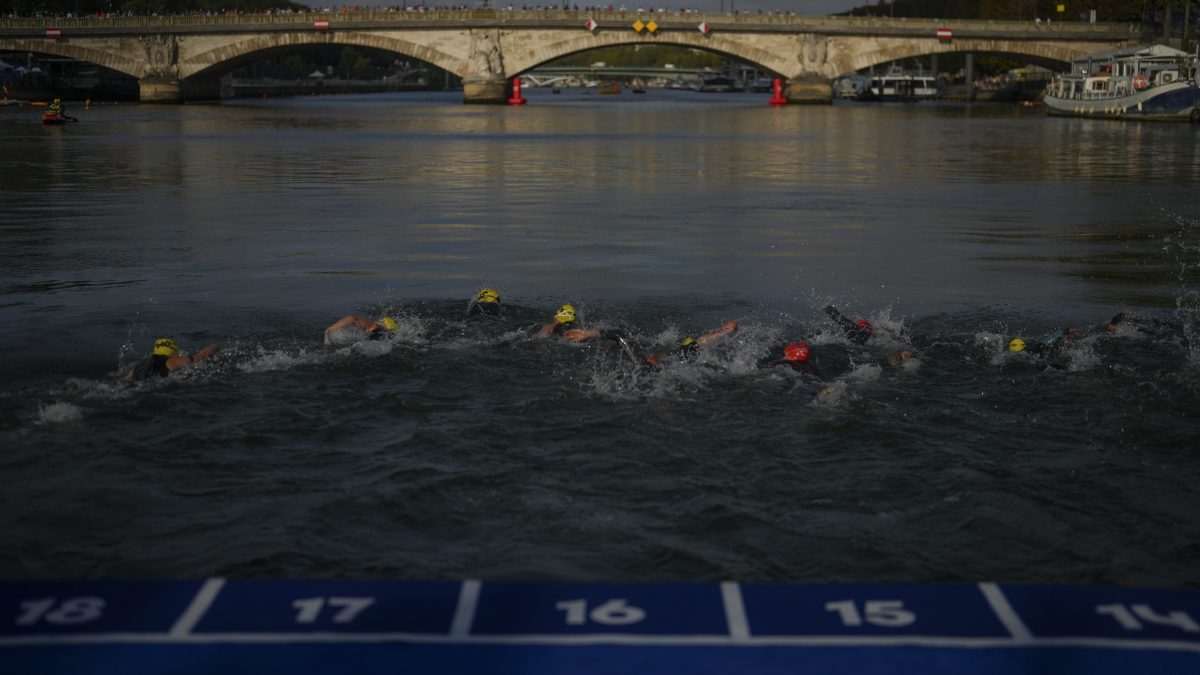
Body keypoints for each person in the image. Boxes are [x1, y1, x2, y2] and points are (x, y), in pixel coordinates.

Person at [641, 320, 738, 367]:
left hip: (689, 345)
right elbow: (732, 326)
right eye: (724, 327)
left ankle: (651, 359)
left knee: (671, 354)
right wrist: (738, 329)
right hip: (693, 347)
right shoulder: (714, 336)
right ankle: (652, 360)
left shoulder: (712, 337)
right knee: (673, 357)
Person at [126, 338, 217, 381]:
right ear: (174, 353)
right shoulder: (172, 360)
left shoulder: (137, 367)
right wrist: (213, 347)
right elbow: (199, 357)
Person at [324, 314, 398, 345]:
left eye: (382, 321)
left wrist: (330, 329)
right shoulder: (387, 337)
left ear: (384, 324)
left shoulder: (375, 327)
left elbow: (353, 318)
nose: (380, 321)